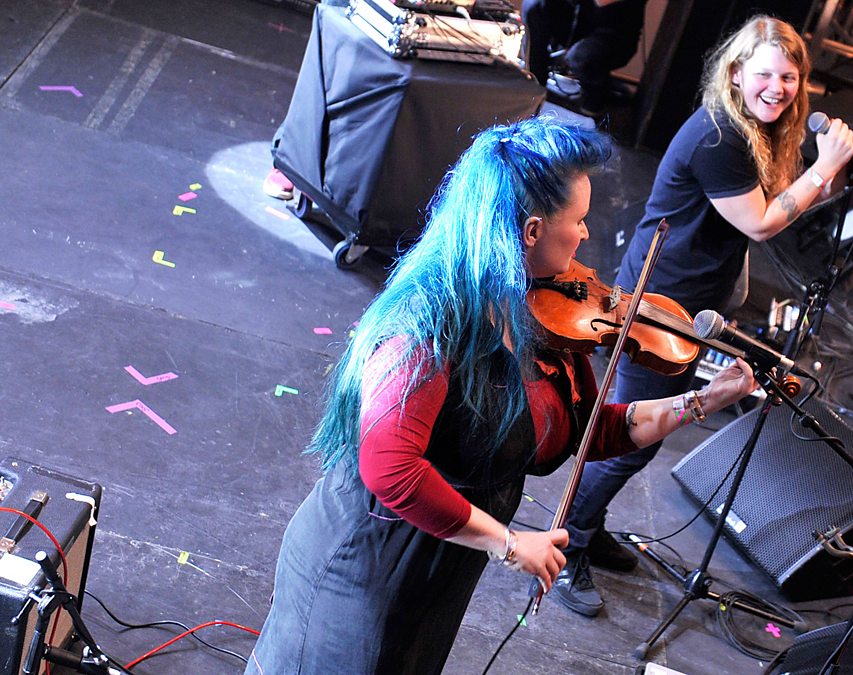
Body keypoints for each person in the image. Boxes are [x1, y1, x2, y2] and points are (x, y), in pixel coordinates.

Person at [245, 115, 758, 674]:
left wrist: (702, 401)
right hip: (365, 567)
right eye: (579, 221)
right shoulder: (427, 322)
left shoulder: (543, 314)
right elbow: (390, 469)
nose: (587, 236)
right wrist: (509, 545)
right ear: (532, 231)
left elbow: (591, 430)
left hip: (443, 565)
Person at [550, 15, 853, 617]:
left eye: (789, 78)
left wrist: (841, 177)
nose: (777, 89)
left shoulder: (761, 132)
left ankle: (586, 527)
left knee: (645, 434)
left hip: (695, 304)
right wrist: (824, 167)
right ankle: (567, 540)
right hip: (660, 302)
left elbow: (783, 204)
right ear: (735, 73)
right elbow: (762, 222)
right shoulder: (718, 137)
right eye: (765, 75)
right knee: (634, 435)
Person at [521, 0, 647, 114]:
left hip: (614, 33)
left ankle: (594, 104)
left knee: (582, 56)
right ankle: (535, 83)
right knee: (533, 5)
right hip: (578, 19)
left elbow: (602, 2)